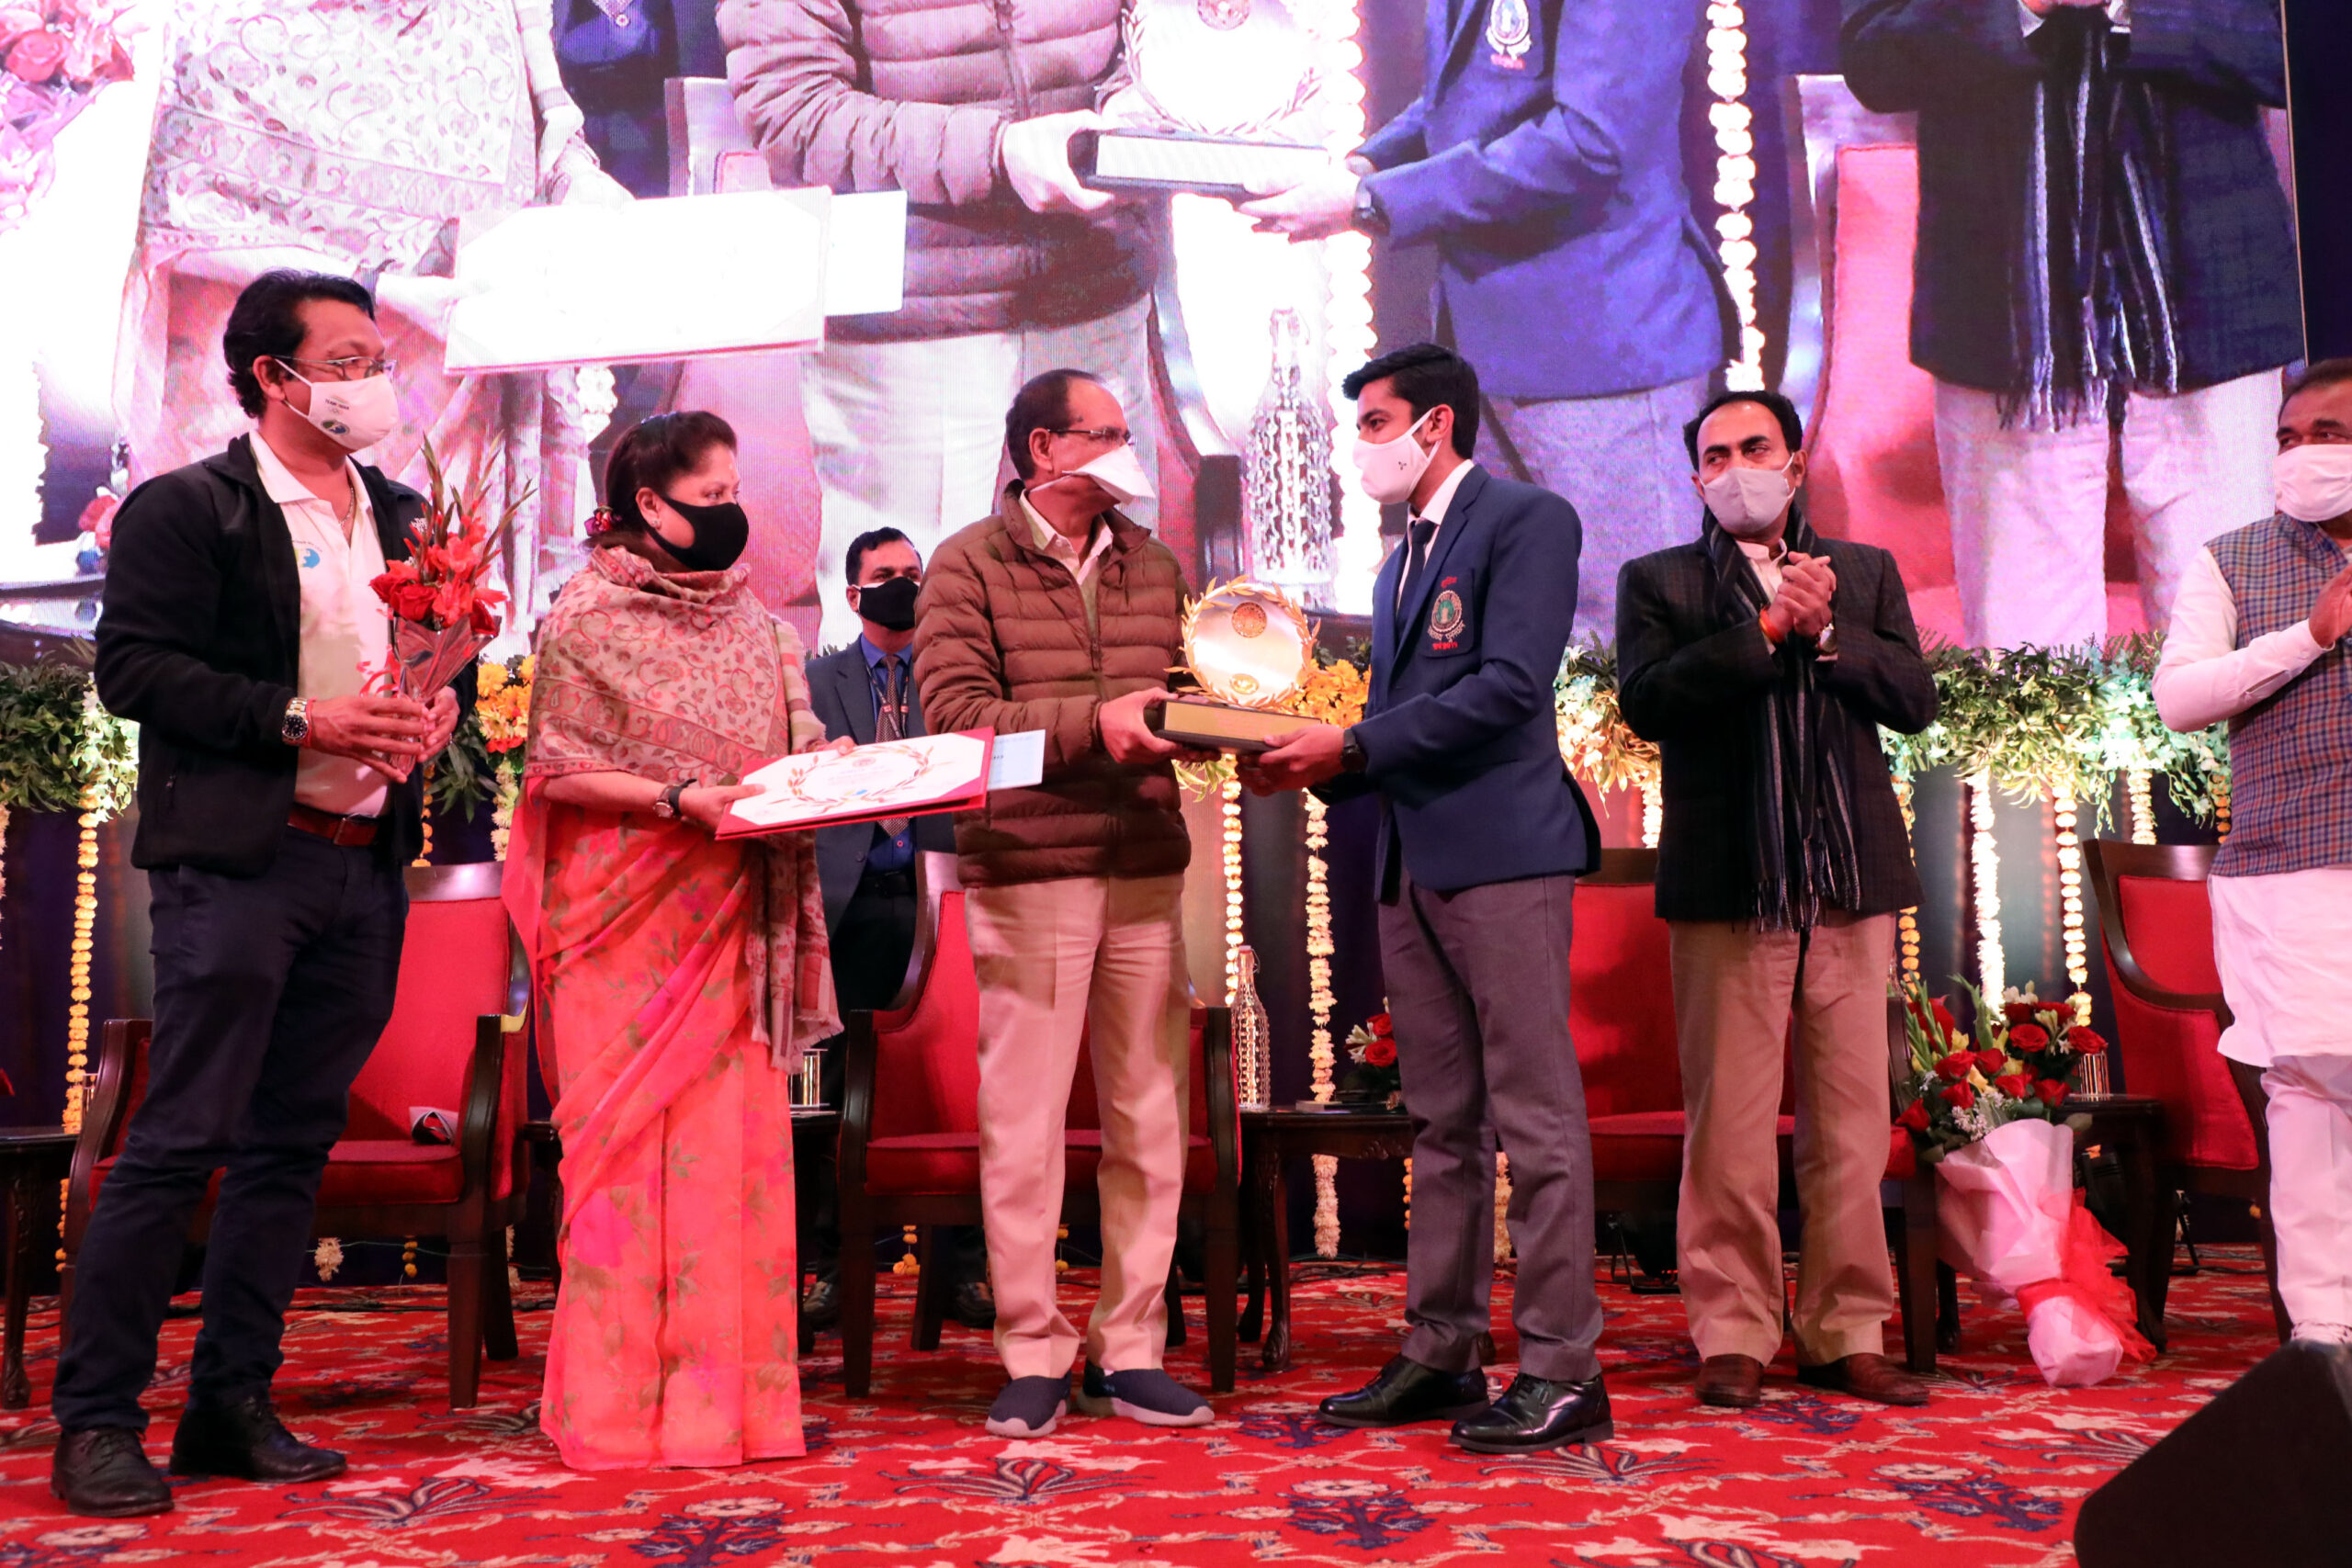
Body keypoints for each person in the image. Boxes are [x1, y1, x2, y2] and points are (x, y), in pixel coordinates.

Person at [57, 271, 460, 1517]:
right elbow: (133, 669)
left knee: (292, 1145)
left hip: (361, 862)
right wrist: (301, 719)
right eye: (345, 360)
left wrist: (436, 703)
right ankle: (98, 1420)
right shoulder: (193, 506)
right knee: (180, 1138)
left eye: (376, 357)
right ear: (273, 377)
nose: (372, 379)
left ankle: (231, 1399)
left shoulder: (402, 512)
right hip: (239, 863)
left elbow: (429, 649)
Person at [1241, 343, 1611, 1454]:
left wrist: (1348, 746)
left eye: (1374, 423)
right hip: (1410, 862)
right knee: (1443, 1123)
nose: (1360, 446)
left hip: (1503, 853)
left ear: (1435, 425)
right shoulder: (1400, 558)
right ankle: (1443, 1348)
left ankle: (1563, 1367)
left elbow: (1507, 687)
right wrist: (1317, 759)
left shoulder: (1526, 519)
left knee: (1535, 1119)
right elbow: (1400, 719)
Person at [504, 411, 849, 1470]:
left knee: (726, 1160)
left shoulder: (758, 626)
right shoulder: (585, 617)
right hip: (622, 917)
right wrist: (676, 797)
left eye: (735, 492)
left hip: (731, 913)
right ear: (648, 504)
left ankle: (727, 1412)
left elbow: (788, 754)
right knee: (621, 1163)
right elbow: (557, 768)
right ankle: (614, 1413)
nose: (731, 514)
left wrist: (831, 771)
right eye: (711, 498)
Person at [1616, 388, 1939, 1410]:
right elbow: (1648, 702)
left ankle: (1847, 1331)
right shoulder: (1660, 579)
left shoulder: (1865, 571)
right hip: (1728, 884)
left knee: (1852, 1121)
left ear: (1795, 465)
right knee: (1730, 1124)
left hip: (1849, 880)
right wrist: (1764, 626)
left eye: (1754, 448)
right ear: (1696, 478)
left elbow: (1915, 701)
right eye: (1715, 457)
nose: (1735, 469)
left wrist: (1829, 627)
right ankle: (1734, 1330)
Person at [113, 0, 631, 635]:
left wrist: (568, 152)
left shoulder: (475, 32)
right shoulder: (228, 37)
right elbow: (185, 234)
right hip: (275, 436)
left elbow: (543, 109)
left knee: (435, 634)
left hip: (449, 423)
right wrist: (380, 292)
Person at [913, 367, 1209, 1438]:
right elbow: (957, 721)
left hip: (1145, 863)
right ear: (1044, 448)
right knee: (1025, 1125)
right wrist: (1100, 724)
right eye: (1108, 434)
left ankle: (1129, 1350)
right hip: (1031, 866)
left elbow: (1180, 693)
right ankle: (1032, 1350)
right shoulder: (967, 564)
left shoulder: (1154, 562)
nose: (1130, 451)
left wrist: (1222, 722)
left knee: (1150, 1117)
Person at [1235, 1, 1734, 634]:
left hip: (1602, 357)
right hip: (1489, 352)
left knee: (1633, 639)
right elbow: (1469, 104)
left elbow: (1587, 142)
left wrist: (1371, 199)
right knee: (1518, 639)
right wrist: (1365, 168)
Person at [1842, 0, 2301, 648]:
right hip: (2005, 318)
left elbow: (2297, 48)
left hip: (2214, 300)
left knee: (2225, 644)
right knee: (2027, 662)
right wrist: (2022, 7)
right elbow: (1872, 58)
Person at [719, 0, 1164, 649]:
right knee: (910, 647)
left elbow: (1159, 30)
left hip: (1092, 294)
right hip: (912, 326)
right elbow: (795, 112)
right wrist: (997, 151)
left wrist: (1140, 104)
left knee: (1114, 632)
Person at [2152, 358, 2352, 1348]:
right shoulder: (2232, 559)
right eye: (2287, 437)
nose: (2302, 454)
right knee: (2309, 1094)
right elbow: (2179, 698)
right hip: (2290, 871)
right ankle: (2324, 1339)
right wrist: (2309, 634)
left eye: (2328, 434)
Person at [800, 527, 988, 1331]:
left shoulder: (955, 674)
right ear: (853, 594)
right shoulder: (816, 680)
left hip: (944, 903)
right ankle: (834, 1269)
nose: (904, 584)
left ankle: (966, 1271)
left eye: (914, 572)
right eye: (886, 574)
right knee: (838, 1097)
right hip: (849, 906)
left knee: (958, 1084)